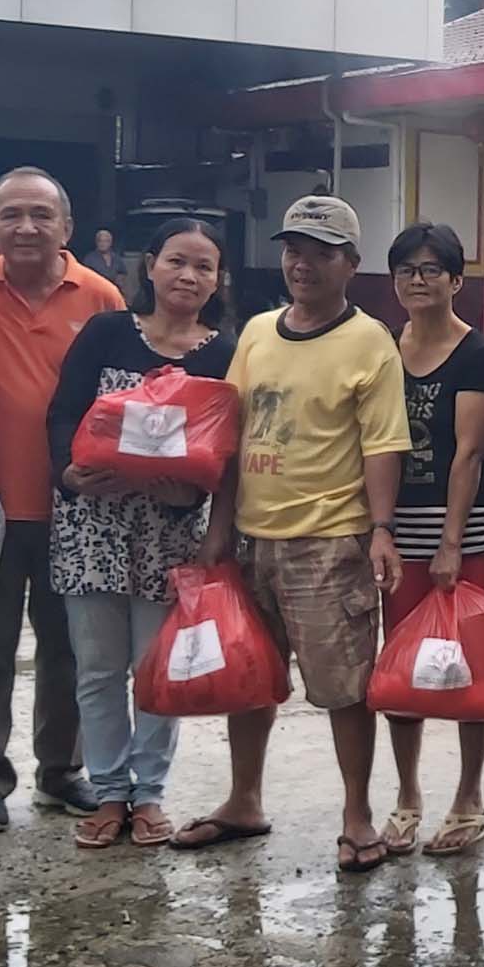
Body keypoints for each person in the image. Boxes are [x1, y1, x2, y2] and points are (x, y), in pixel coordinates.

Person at [175, 195, 407, 869]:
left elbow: (382, 443)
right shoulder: (255, 332)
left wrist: (381, 530)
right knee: (248, 680)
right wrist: (219, 528)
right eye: (293, 249)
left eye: (321, 252)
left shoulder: (369, 341)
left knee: (344, 686)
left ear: (350, 264)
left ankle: (357, 815)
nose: (302, 263)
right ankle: (243, 799)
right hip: (250, 539)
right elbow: (229, 431)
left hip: (329, 541)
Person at [0, 167, 123, 831]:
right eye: (11, 214)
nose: (26, 227)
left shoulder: (100, 297)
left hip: (75, 510)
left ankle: (61, 771)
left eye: (40, 215)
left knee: (68, 649)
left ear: (66, 227)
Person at [44, 217, 237, 849]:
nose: (188, 276)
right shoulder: (106, 333)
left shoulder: (222, 352)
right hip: (92, 525)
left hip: (171, 531)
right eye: (176, 261)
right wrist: (69, 475)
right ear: (150, 265)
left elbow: (225, 449)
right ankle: (108, 792)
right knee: (97, 668)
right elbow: (64, 411)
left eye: (203, 267)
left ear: (218, 280)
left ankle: (149, 794)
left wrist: (193, 498)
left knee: (158, 669)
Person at [378, 220, 484, 860]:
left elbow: (469, 454)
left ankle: (469, 797)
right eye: (407, 269)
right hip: (398, 530)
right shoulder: (381, 348)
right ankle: (406, 797)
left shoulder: (477, 355)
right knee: (400, 665)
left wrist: (452, 544)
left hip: (467, 532)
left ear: (456, 280)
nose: (418, 280)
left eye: (432, 269)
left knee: (467, 664)